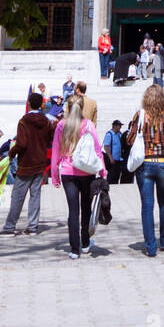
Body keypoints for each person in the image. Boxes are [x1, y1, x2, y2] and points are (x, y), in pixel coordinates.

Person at [127, 84, 164, 256]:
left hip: (146, 164)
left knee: (147, 205)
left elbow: (130, 139)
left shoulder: (141, 115)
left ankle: (150, 247)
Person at [50, 95, 107, 259]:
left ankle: (74, 249)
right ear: (82, 107)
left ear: (67, 107)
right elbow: (97, 149)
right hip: (86, 171)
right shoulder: (88, 124)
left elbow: (56, 151)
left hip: (68, 172)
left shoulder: (61, 125)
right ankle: (86, 243)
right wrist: (102, 171)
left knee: (73, 211)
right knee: (86, 209)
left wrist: (54, 176)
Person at [0, 92, 55, 237]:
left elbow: (22, 143)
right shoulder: (46, 121)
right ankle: (33, 226)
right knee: (35, 195)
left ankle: (10, 227)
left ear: (29, 103)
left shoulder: (24, 121)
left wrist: (11, 154)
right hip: (40, 162)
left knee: (18, 195)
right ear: (41, 103)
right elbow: (51, 138)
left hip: (26, 163)